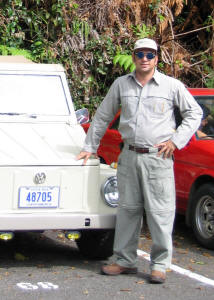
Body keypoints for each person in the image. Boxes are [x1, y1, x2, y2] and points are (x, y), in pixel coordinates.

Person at [77, 38, 202, 284]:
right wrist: (89, 146)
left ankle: (159, 264)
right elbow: (103, 116)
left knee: (160, 212)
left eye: (149, 54)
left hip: (158, 158)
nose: (145, 59)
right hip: (129, 156)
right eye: (140, 54)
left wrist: (176, 141)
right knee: (127, 210)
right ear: (133, 57)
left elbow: (194, 113)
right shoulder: (121, 85)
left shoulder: (171, 86)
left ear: (157, 58)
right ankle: (124, 260)